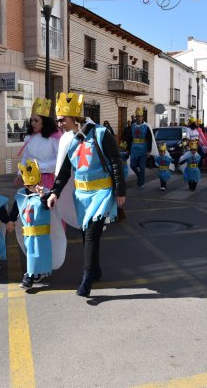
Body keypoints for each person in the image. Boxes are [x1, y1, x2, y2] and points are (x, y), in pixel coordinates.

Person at [47, 92, 126, 297]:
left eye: (62, 119)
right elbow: (65, 171)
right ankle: (96, 269)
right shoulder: (71, 140)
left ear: (74, 118)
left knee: (91, 234)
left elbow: (116, 161)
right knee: (87, 235)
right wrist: (55, 191)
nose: (59, 123)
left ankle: (87, 277)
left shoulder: (100, 134)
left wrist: (120, 191)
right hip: (81, 195)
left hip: (101, 193)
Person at [7, 160, 52, 290]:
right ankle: (35, 273)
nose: (33, 188)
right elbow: (16, 208)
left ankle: (28, 278)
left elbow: (47, 207)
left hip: (41, 235)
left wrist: (42, 195)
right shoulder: (21, 194)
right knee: (31, 253)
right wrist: (11, 220)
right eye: (29, 186)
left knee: (36, 254)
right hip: (27, 233)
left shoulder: (46, 193)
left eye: (35, 184)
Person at [15, 97, 61, 189]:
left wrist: (40, 168)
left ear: (44, 122)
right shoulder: (29, 137)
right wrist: (20, 173)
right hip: (30, 179)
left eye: (36, 120)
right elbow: (25, 157)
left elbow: (60, 160)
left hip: (47, 179)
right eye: (31, 120)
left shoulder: (54, 138)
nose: (32, 123)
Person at [125, 107, 152, 188]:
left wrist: (149, 150)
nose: (138, 118)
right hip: (134, 149)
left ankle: (141, 183)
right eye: (137, 116)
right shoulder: (132, 126)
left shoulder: (146, 126)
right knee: (132, 166)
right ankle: (140, 176)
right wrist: (128, 149)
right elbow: (129, 139)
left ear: (142, 117)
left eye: (139, 116)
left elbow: (150, 139)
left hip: (143, 150)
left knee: (142, 167)